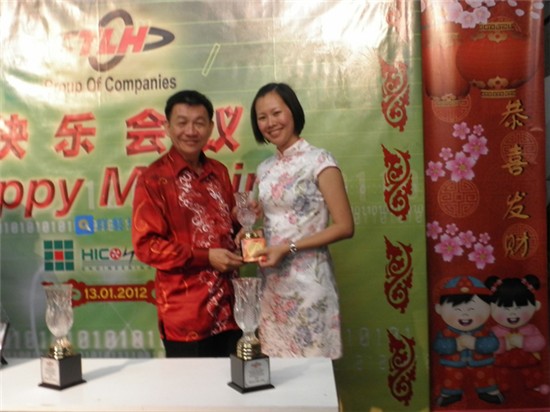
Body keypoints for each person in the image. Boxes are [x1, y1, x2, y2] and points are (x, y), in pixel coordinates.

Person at [132, 90, 243, 358]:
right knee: (192, 386)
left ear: (210, 128)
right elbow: (147, 246)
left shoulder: (219, 172)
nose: (191, 131)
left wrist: (244, 230)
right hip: (187, 316)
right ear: (167, 127)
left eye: (199, 123)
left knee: (235, 384)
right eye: (182, 123)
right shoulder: (153, 179)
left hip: (231, 309)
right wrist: (207, 257)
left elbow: (229, 228)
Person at [249, 82, 354, 359]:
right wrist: (249, 232)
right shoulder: (264, 169)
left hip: (309, 285)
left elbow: (345, 226)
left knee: (312, 373)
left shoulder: (320, 160)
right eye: (262, 117)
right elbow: (274, 224)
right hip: (272, 287)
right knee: (278, 373)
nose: (270, 123)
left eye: (276, 113)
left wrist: (288, 248)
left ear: (292, 111)